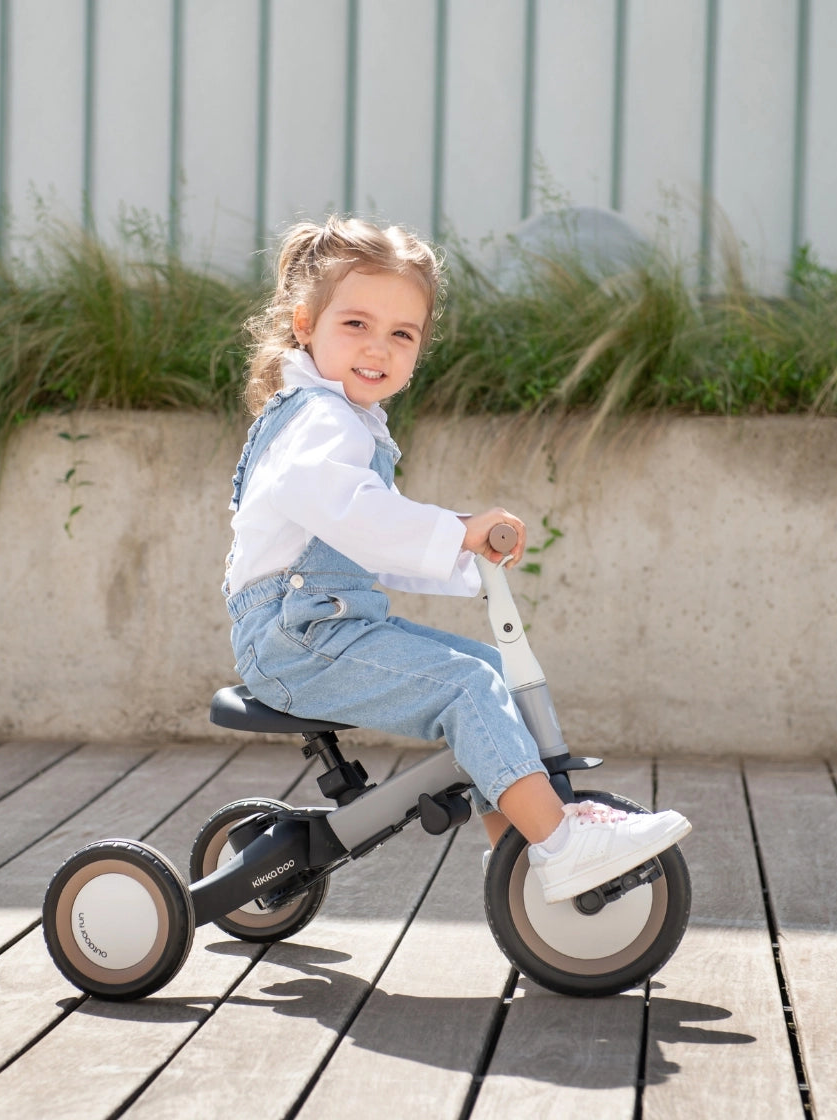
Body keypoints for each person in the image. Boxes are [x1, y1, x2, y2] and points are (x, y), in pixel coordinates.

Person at [222, 215, 690, 903]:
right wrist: (457, 532)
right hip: (296, 641)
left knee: (490, 671)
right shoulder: (319, 421)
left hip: (324, 630)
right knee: (467, 688)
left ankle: (521, 855)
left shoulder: (340, 418)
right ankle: (558, 846)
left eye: (402, 334)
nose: (378, 347)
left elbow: (368, 543)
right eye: (356, 324)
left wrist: (466, 553)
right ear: (305, 325)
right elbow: (359, 518)